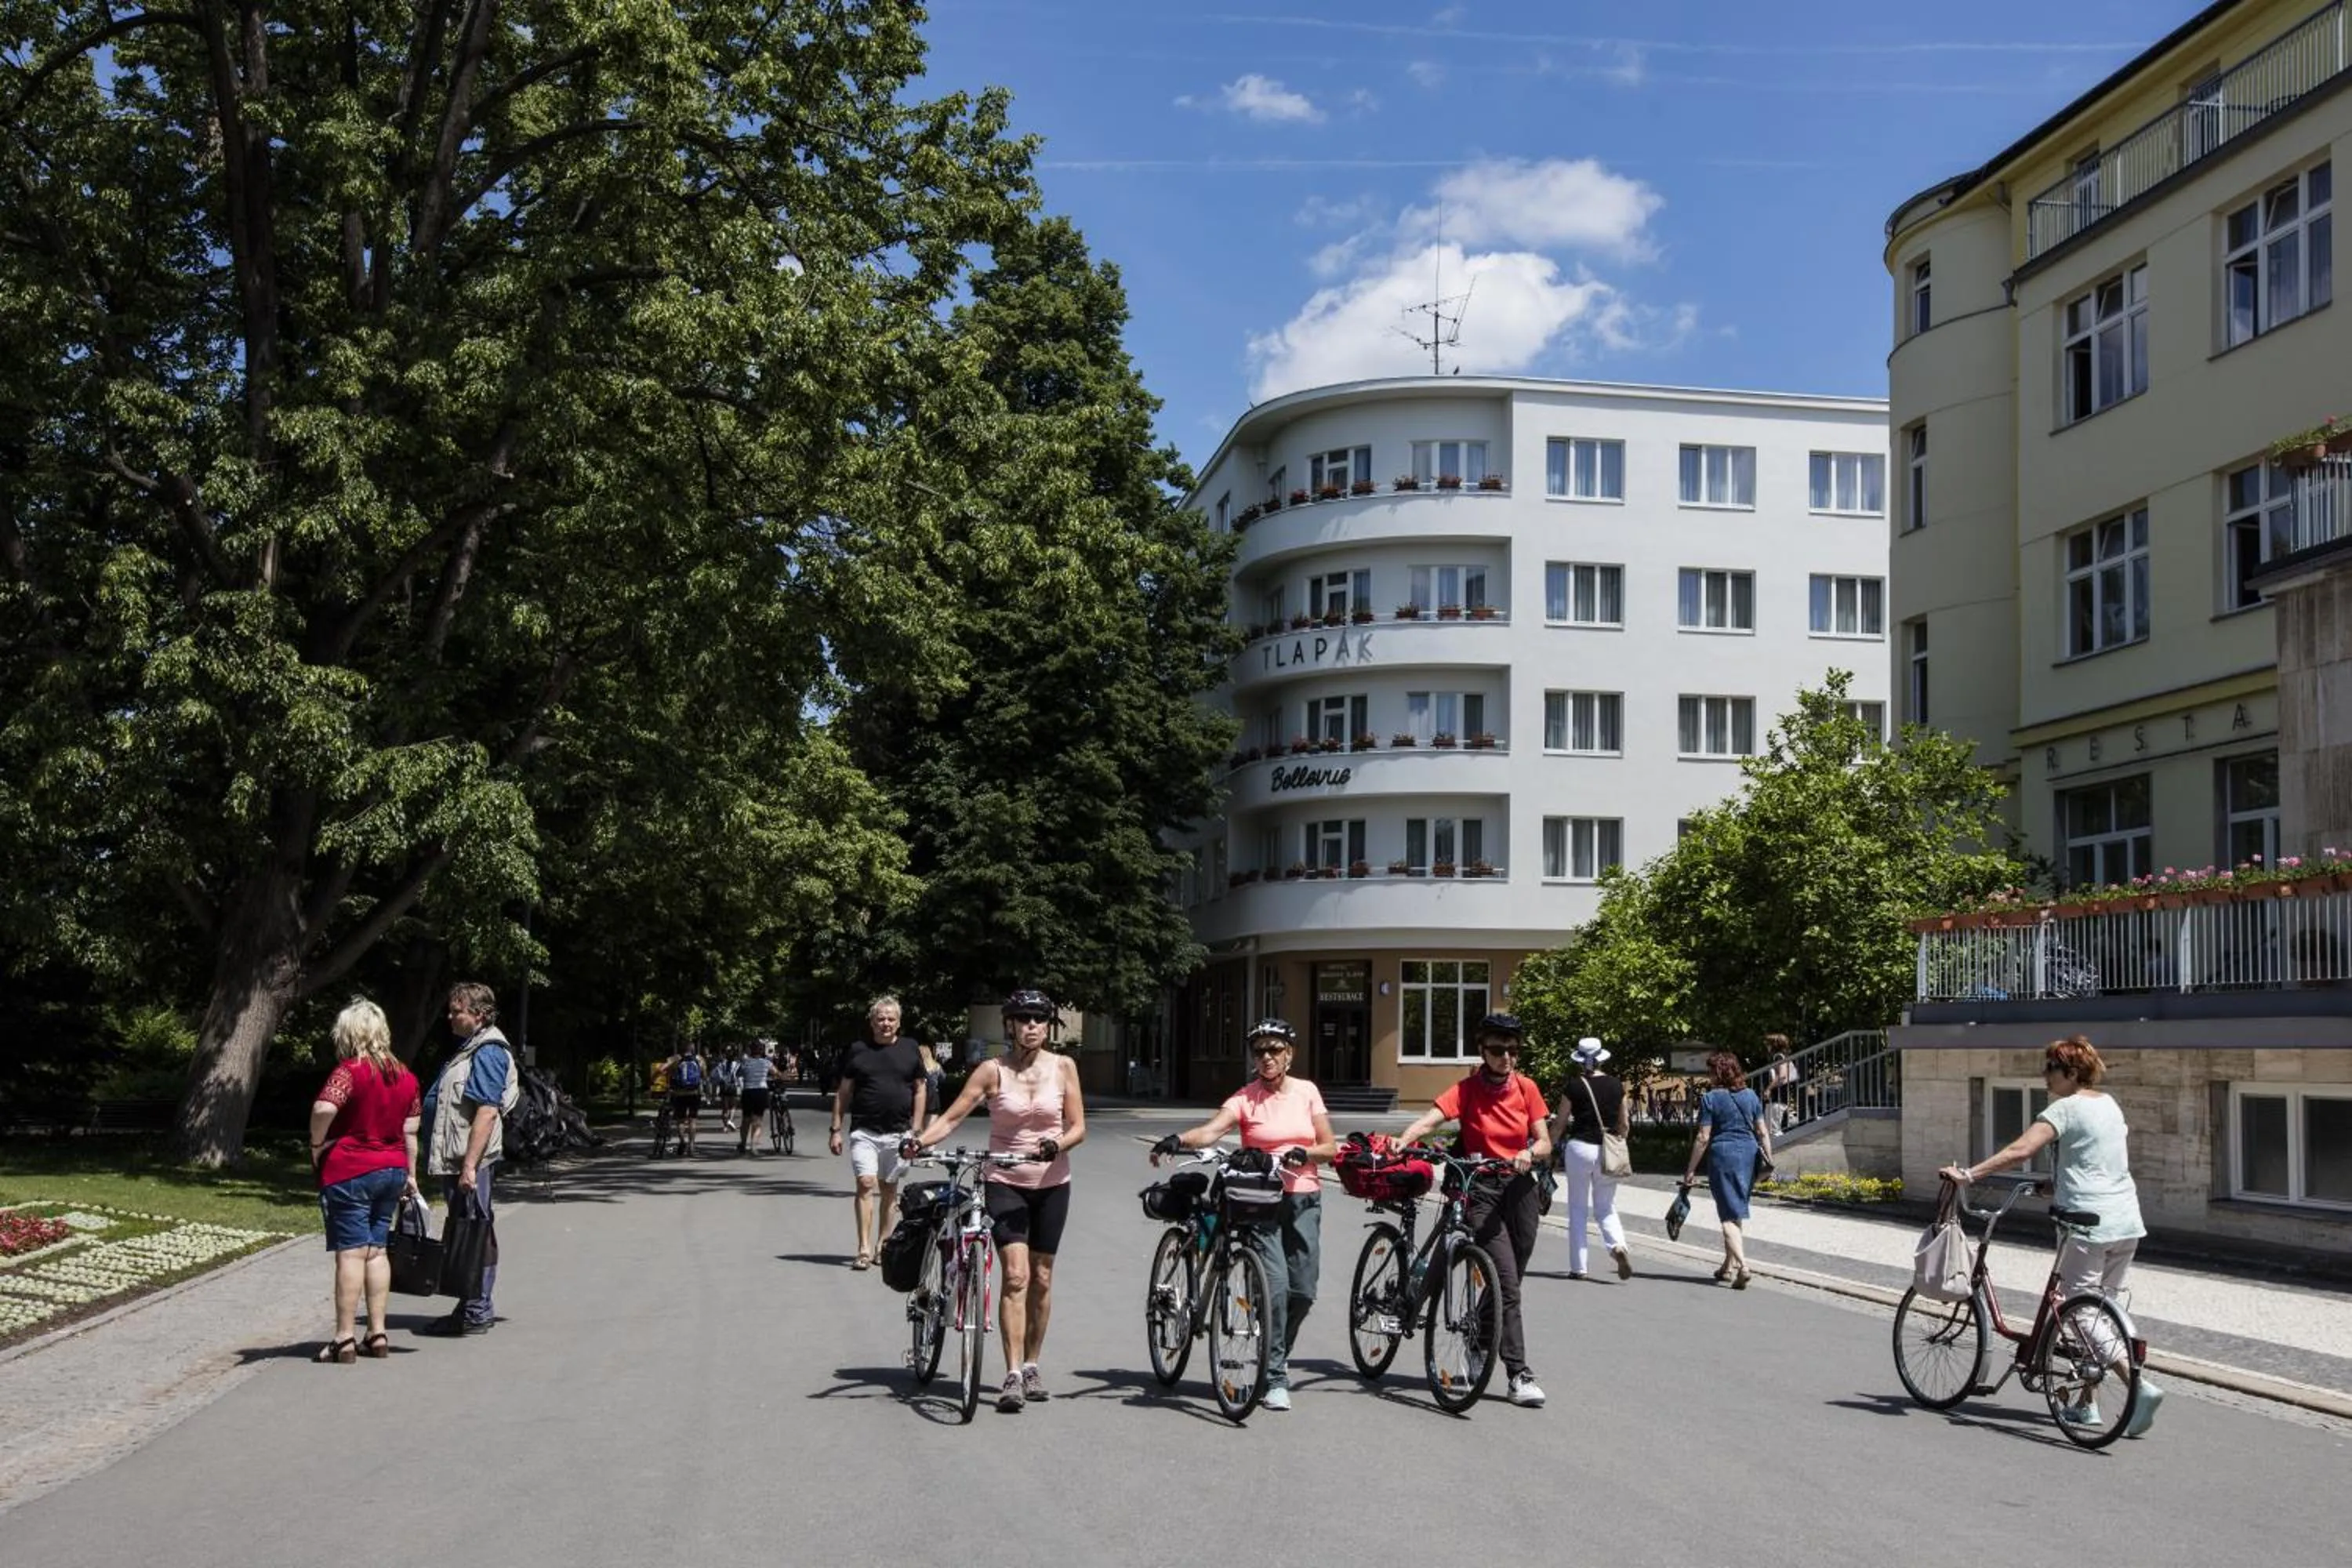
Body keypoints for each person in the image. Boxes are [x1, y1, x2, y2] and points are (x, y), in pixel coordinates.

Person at [1941, 1035, 2161, 1435]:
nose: (2044, 1076)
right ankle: (2086, 1404)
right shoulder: (2109, 1105)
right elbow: (2095, 1160)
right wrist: (2051, 1184)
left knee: (2075, 1306)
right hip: (2126, 1221)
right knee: (2095, 1311)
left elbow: (2020, 1150)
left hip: (2086, 1222)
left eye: (2050, 1069)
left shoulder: (2064, 1108)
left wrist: (1968, 1175)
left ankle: (2137, 1385)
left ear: (2071, 1073)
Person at [903, 989, 1086, 1412]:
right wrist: (917, 1143)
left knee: (1042, 1276)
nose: (1032, 1026)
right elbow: (951, 1117)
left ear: (1048, 1026)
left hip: (1053, 1183)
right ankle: (1013, 1374)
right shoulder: (992, 1071)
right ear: (1010, 1025)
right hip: (1003, 1179)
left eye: (1039, 1020)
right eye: (1024, 1019)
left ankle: (1034, 1363)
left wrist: (1055, 1145)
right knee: (1017, 1276)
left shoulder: (1064, 1067)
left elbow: (1078, 1127)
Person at [1149, 1019, 1336, 1411]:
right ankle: (1275, 1376)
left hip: (1303, 1198)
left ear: (1290, 1054)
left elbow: (1330, 1146)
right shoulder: (1246, 1098)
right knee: (1278, 1288)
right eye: (1260, 1052)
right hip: (1259, 1200)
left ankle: (1273, 1347)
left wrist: (1307, 1153)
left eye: (1274, 1050)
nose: (1267, 1058)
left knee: (1303, 1291)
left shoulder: (1306, 1092)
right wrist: (1177, 1140)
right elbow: (1212, 1131)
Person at [1396, 1011, 1552, 1407]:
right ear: (1483, 1051)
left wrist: (1528, 1152)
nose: (1506, 1058)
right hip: (1479, 1186)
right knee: (1506, 1280)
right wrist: (1404, 1139)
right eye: (1498, 1050)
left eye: (1513, 1051)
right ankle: (1518, 1373)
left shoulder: (1527, 1088)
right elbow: (1431, 1120)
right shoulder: (1466, 1090)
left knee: (1511, 1276)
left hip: (1519, 1187)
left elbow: (1545, 1142)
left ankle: (1480, 1341)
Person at [308, 998, 423, 1362]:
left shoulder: (349, 1071)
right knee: (376, 1251)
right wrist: (411, 1174)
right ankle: (377, 1333)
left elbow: (324, 1107)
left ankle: (344, 1338)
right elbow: (411, 1131)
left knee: (351, 1252)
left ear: (349, 1033)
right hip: (392, 1170)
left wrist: (316, 1144)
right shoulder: (406, 1076)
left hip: (351, 1169)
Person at [421, 982, 520, 1336]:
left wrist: (469, 1166)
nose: (450, 1016)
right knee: (466, 1229)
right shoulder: (470, 1048)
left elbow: (487, 1111)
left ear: (478, 1014)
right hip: (460, 1159)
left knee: (475, 1230)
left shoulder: (489, 1051)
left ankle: (477, 1309)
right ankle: (470, 1304)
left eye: (456, 1010)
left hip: (470, 1162)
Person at [829, 996, 927, 1270]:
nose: (885, 1023)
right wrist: (836, 1129)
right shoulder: (858, 1050)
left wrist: (917, 1128)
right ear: (872, 1022)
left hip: (899, 1133)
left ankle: (884, 1245)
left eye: (891, 1019)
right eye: (880, 1019)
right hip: (865, 1131)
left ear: (898, 1022)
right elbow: (844, 1091)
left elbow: (920, 1088)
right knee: (866, 1183)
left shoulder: (910, 1048)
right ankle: (863, 1248)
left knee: (889, 1190)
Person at [1680, 1050, 1773, 1289]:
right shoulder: (1751, 1096)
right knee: (1736, 1210)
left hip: (1723, 1157)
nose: (1709, 1076)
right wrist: (1769, 1161)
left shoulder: (1711, 1098)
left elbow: (1703, 1137)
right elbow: (1762, 1131)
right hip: (1749, 1156)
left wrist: (1690, 1169)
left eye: (1711, 1071)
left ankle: (1743, 1266)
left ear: (1717, 1073)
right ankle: (1727, 1267)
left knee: (1727, 1216)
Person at [1548, 1036, 1630, 1282]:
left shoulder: (1573, 1086)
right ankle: (1618, 1247)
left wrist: (1548, 1149)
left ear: (1580, 1060)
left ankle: (1579, 1267)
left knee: (1577, 1208)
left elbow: (1560, 1123)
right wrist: (1619, 1141)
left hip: (1580, 1148)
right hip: (1607, 1149)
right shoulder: (1617, 1085)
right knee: (1606, 1205)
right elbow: (1624, 1123)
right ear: (1602, 1057)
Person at [659, 1043, 707, 1156]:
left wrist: (666, 1076)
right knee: (692, 1120)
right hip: (695, 1093)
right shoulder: (700, 1059)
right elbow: (704, 1076)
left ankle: (682, 1141)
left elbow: (661, 1069)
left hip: (679, 1094)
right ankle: (691, 1146)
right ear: (693, 1049)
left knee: (680, 1120)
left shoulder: (676, 1058)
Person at [737, 1040, 776, 1156]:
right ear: (762, 1051)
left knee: (746, 1119)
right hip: (761, 1091)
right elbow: (776, 1073)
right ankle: (754, 1147)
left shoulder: (745, 1063)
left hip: (748, 1091)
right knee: (757, 1120)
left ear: (750, 1051)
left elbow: (738, 1074)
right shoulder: (766, 1063)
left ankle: (743, 1144)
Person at [714, 1046, 742, 1132]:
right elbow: (739, 1077)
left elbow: (717, 1076)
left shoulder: (721, 1064)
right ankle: (730, 1121)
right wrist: (741, 1087)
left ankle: (725, 1126)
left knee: (725, 1108)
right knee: (733, 1106)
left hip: (724, 1087)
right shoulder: (737, 1064)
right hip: (733, 1087)